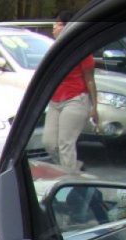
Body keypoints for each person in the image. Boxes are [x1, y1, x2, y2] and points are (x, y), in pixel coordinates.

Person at [42, 11, 98, 173]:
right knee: (49, 143)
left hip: (75, 99)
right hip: (55, 101)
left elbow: (90, 79)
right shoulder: (53, 50)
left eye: (59, 24)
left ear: (68, 28)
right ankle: (73, 169)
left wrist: (94, 107)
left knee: (66, 144)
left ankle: (68, 182)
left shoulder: (81, 50)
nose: (54, 27)